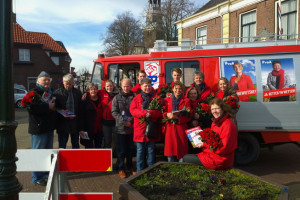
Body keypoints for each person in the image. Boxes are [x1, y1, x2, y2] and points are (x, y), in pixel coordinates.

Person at [183, 98, 238, 170]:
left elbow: (224, 148)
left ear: (223, 109)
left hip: (219, 160)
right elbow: (212, 139)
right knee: (189, 155)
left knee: (185, 158)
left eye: (217, 108)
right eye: (212, 109)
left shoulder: (228, 125)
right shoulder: (215, 122)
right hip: (212, 155)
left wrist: (204, 144)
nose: (214, 111)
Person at [28, 71, 56, 186]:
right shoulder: (33, 93)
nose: (47, 82)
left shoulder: (51, 92)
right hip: (39, 128)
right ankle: (36, 177)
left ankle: (45, 173)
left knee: (47, 152)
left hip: (49, 127)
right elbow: (31, 109)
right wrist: (47, 106)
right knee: (38, 153)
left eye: (48, 80)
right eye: (44, 80)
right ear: (38, 81)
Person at [130, 78, 162, 172]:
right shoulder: (137, 98)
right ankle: (140, 171)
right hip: (140, 129)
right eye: (145, 86)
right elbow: (133, 110)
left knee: (151, 150)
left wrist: (151, 113)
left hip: (151, 129)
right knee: (140, 151)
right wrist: (144, 113)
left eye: (149, 85)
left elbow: (160, 112)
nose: (147, 88)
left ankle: (150, 170)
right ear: (141, 87)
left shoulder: (156, 98)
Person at [111, 78, 135, 178]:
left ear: (131, 86)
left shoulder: (134, 97)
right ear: (121, 86)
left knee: (130, 149)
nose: (126, 88)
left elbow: (136, 110)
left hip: (131, 128)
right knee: (120, 150)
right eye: (124, 86)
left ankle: (129, 166)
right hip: (120, 128)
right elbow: (114, 112)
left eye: (128, 86)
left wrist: (130, 121)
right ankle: (121, 168)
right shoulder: (116, 98)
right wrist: (124, 121)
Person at [163, 81, 192, 162]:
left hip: (181, 129)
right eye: (176, 88)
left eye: (180, 89)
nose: (178, 90)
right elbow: (162, 112)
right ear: (173, 89)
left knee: (182, 153)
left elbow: (189, 115)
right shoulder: (167, 100)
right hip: (170, 129)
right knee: (170, 153)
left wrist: (178, 119)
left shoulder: (186, 101)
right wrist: (167, 115)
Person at [54, 73, 82, 149]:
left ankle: (75, 159)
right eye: (66, 84)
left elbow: (80, 107)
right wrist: (61, 111)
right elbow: (54, 107)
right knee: (62, 145)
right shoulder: (57, 93)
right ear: (63, 82)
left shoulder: (78, 92)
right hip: (62, 123)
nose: (68, 86)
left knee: (75, 144)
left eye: (70, 84)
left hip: (75, 122)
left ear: (73, 83)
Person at [79, 83, 102, 148]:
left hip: (99, 128)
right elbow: (81, 116)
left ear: (97, 90)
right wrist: (81, 129)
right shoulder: (84, 100)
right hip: (88, 129)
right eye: (91, 89)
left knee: (99, 146)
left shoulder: (101, 98)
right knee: (89, 147)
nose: (93, 91)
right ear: (89, 91)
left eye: (95, 89)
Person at [100, 80, 118, 149]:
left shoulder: (118, 94)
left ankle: (116, 156)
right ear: (104, 87)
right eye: (107, 86)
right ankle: (107, 157)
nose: (109, 88)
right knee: (107, 141)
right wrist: (86, 93)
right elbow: (92, 90)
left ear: (113, 86)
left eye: (111, 86)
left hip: (115, 122)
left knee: (116, 141)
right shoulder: (101, 93)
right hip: (105, 123)